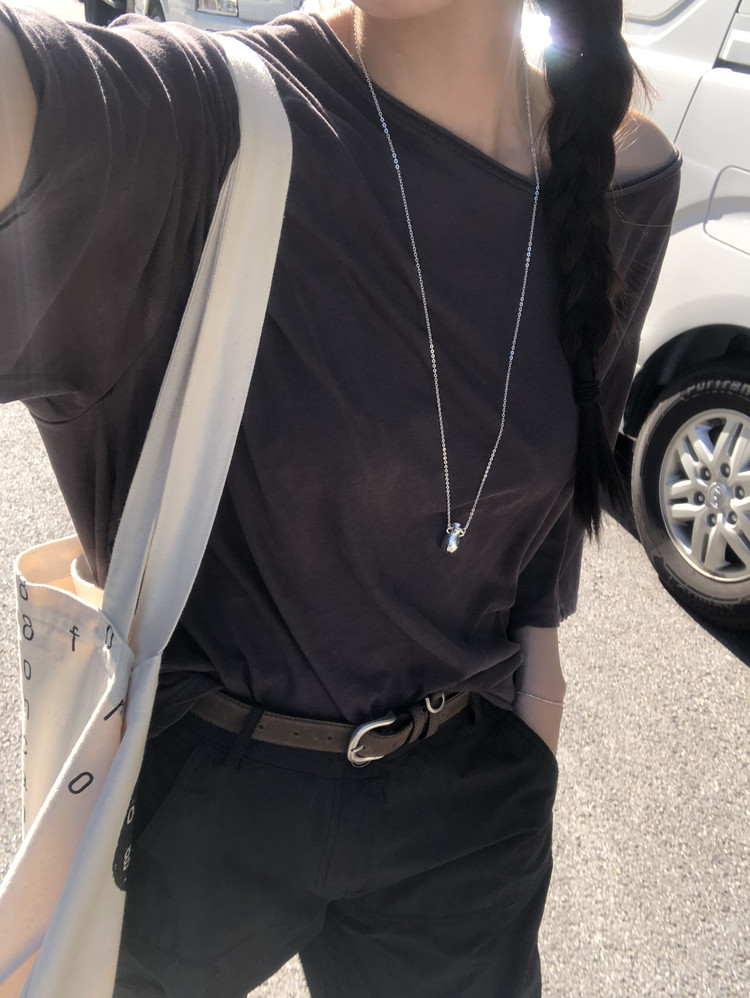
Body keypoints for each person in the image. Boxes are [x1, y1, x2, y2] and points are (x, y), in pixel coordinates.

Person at [0, 0, 679, 994]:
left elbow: (554, 498)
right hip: (192, 788)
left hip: (463, 798)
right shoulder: (197, 125)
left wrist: (538, 706)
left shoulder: (621, 170)